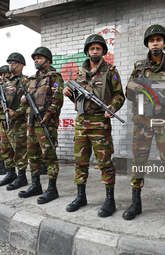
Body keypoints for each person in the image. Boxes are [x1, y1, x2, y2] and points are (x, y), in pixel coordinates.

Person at [123, 25, 165, 227]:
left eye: (159, 40)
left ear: (164, 43)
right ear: (147, 44)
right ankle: (136, 203)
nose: (155, 43)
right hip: (142, 123)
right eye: (152, 40)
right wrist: (130, 86)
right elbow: (129, 93)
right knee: (138, 161)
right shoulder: (139, 66)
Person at [63, 34, 125, 217]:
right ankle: (80, 196)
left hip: (100, 123)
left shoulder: (111, 71)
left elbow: (119, 95)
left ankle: (110, 200)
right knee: (80, 162)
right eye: (92, 48)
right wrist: (69, 93)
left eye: (98, 48)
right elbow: (78, 99)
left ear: (103, 51)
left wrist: (112, 107)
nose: (95, 51)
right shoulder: (80, 74)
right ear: (87, 51)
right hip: (81, 122)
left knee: (105, 163)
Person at [18, 47, 64, 204]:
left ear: (47, 59)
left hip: (46, 123)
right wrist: (24, 101)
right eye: (35, 58)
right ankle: (36, 185)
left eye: (39, 58)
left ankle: (52, 189)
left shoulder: (55, 77)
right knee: (33, 155)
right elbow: (27, 100)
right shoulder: (31, 79)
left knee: (49, 156)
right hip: (31, 123)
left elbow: (58, 99)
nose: (36, 60)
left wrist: (49, 114)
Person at [0, 53, 29, 191]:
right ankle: (10, 173)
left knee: (19, 150)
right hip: (3, 120)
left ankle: (21, 176)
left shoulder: (26, 80)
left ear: (21, 65)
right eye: (10, 63)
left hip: (18, 122)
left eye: (14, 62)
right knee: (5, 148)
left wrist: (18, 112)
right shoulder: (5, 82)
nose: (11, 65)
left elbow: (30, 102)